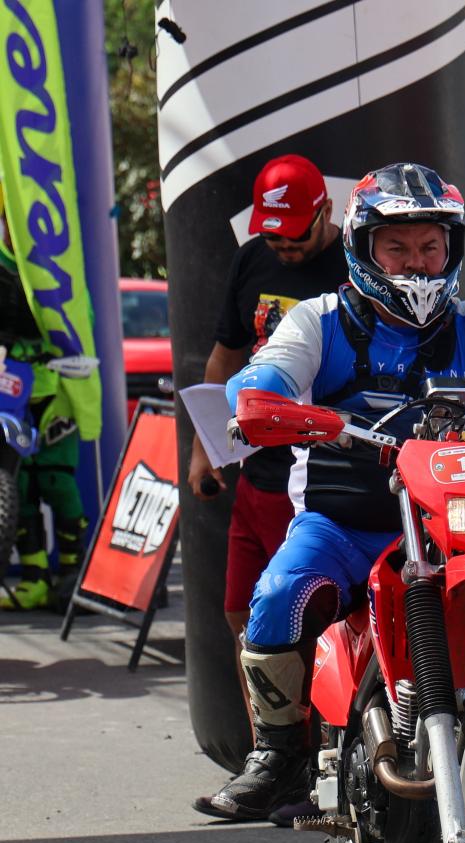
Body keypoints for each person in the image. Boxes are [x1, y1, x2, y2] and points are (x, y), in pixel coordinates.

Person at [194, 162, 465, 822]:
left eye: (430, 246)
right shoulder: (319, 322)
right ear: (362, 248)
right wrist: (256, 395)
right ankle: (277, 754)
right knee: (274, 596)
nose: (417, 261)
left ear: (451, 249)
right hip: (344, 523)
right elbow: (263, 372)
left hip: (458, 526)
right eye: (398, 247)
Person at [187, 155, 346, 708]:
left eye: (295, 237)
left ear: (325, 211)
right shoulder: (252, 260)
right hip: (257, 470)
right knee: (240, 613)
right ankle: (268, 751)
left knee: (299, 621)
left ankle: (308, 761)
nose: (284, 248)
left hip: (317, 479)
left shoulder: (354, 267)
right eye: (273, 237)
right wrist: (205, 450)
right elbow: (224, 357)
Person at [0, 205, 86, 613]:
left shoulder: (56, 266)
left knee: (58, 482)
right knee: (18, 488)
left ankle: (74, 575)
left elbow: (79, 321)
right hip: (9, 389)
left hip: (56, 387)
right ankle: (34, 577)